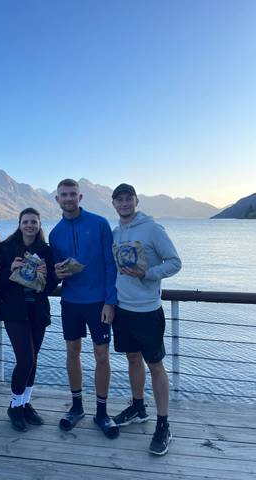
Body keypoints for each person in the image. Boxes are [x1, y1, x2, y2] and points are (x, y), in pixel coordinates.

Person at [111, 183, 182, 455]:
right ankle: (138, 407)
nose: (125, 203)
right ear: (114, 204)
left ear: (136, 201)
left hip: (148, 310)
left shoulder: (153, 229)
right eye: (119, 200)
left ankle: (164, 424)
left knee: (155, 365)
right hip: (123, 309)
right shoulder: (116, 233)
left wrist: (147, 274)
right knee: (132, 359)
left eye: (129, 199)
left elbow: (174, 262)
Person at [49, 179, 119, 439]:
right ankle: (76, 407)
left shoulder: (99, 224)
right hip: (70, 301)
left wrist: (110, 301)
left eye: (72, 194)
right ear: (57, 199)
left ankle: (102, 412)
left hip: (98, 301)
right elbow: (56, 272)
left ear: (80, 197)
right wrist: (57, 272)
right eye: (63, 195)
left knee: (102, 356)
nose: (68, 198)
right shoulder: (55, 233)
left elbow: (111, 265)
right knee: (72, 352)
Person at [0, 208, 58, 431]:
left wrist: (51, 275)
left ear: (39, 224)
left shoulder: (46, 251)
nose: (30, 225)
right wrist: (9, 270)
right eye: (26, 221)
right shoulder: (5, 248)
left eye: (34, 222)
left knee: (34, 360)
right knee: (25, 360)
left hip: (38, 312)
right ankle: (14, 406)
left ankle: (25, 403)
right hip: (14, 313)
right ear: (19, 223)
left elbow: (50, 287)